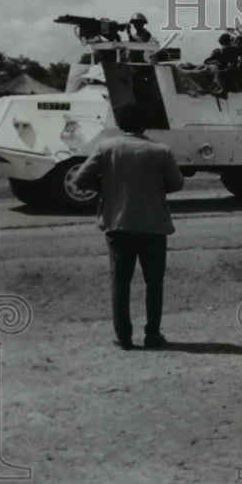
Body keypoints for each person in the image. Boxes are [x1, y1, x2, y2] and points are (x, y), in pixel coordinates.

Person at [73, 102, 184, 350]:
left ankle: (124, 337)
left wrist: (107, 189)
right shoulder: (161, 150)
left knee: (120, 283)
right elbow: (177, 184)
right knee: (154, 283)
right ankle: (152, 335)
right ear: (144, 124)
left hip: (118, 223)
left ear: (120, 124)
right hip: (153, 224)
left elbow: (81, 178)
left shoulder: (107, 147)